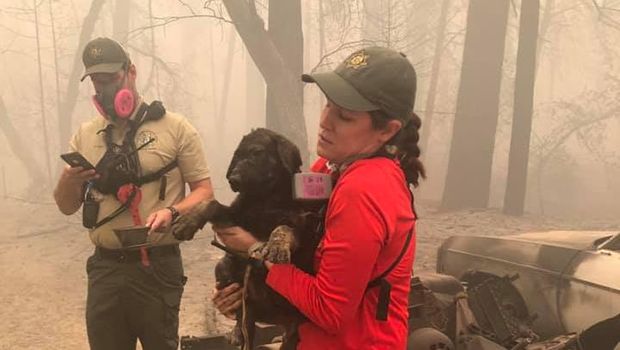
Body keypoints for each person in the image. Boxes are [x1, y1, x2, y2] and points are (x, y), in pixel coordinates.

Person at [212, 46, 425, 349]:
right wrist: (240, 291)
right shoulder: (329, 168)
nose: (326, 121)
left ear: (387, 131)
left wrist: (255, 250)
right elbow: (295, 266)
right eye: (327, 105)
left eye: (345, 117)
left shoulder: (365, 190)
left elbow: (330, 312)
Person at [53, 37, 213, 350]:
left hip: (157, 267)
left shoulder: (176, 128)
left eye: (111, 79)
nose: (105, 89)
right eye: (98, 82)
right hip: (105, 269)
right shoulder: (86, 135)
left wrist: (173, 212)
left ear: (132, 72)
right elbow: (65, 206)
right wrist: (69, 180)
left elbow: (205, 192)